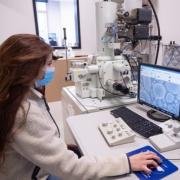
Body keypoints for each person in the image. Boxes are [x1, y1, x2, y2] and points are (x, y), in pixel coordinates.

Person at [0, 34, 161, 180]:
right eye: (49, 64)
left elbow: (36, 143)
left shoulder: (16, 95)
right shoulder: (24, 111)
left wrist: (60, 148)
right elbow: (71, 169)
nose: (52, 69)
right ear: (27, 69)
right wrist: (126, 162)